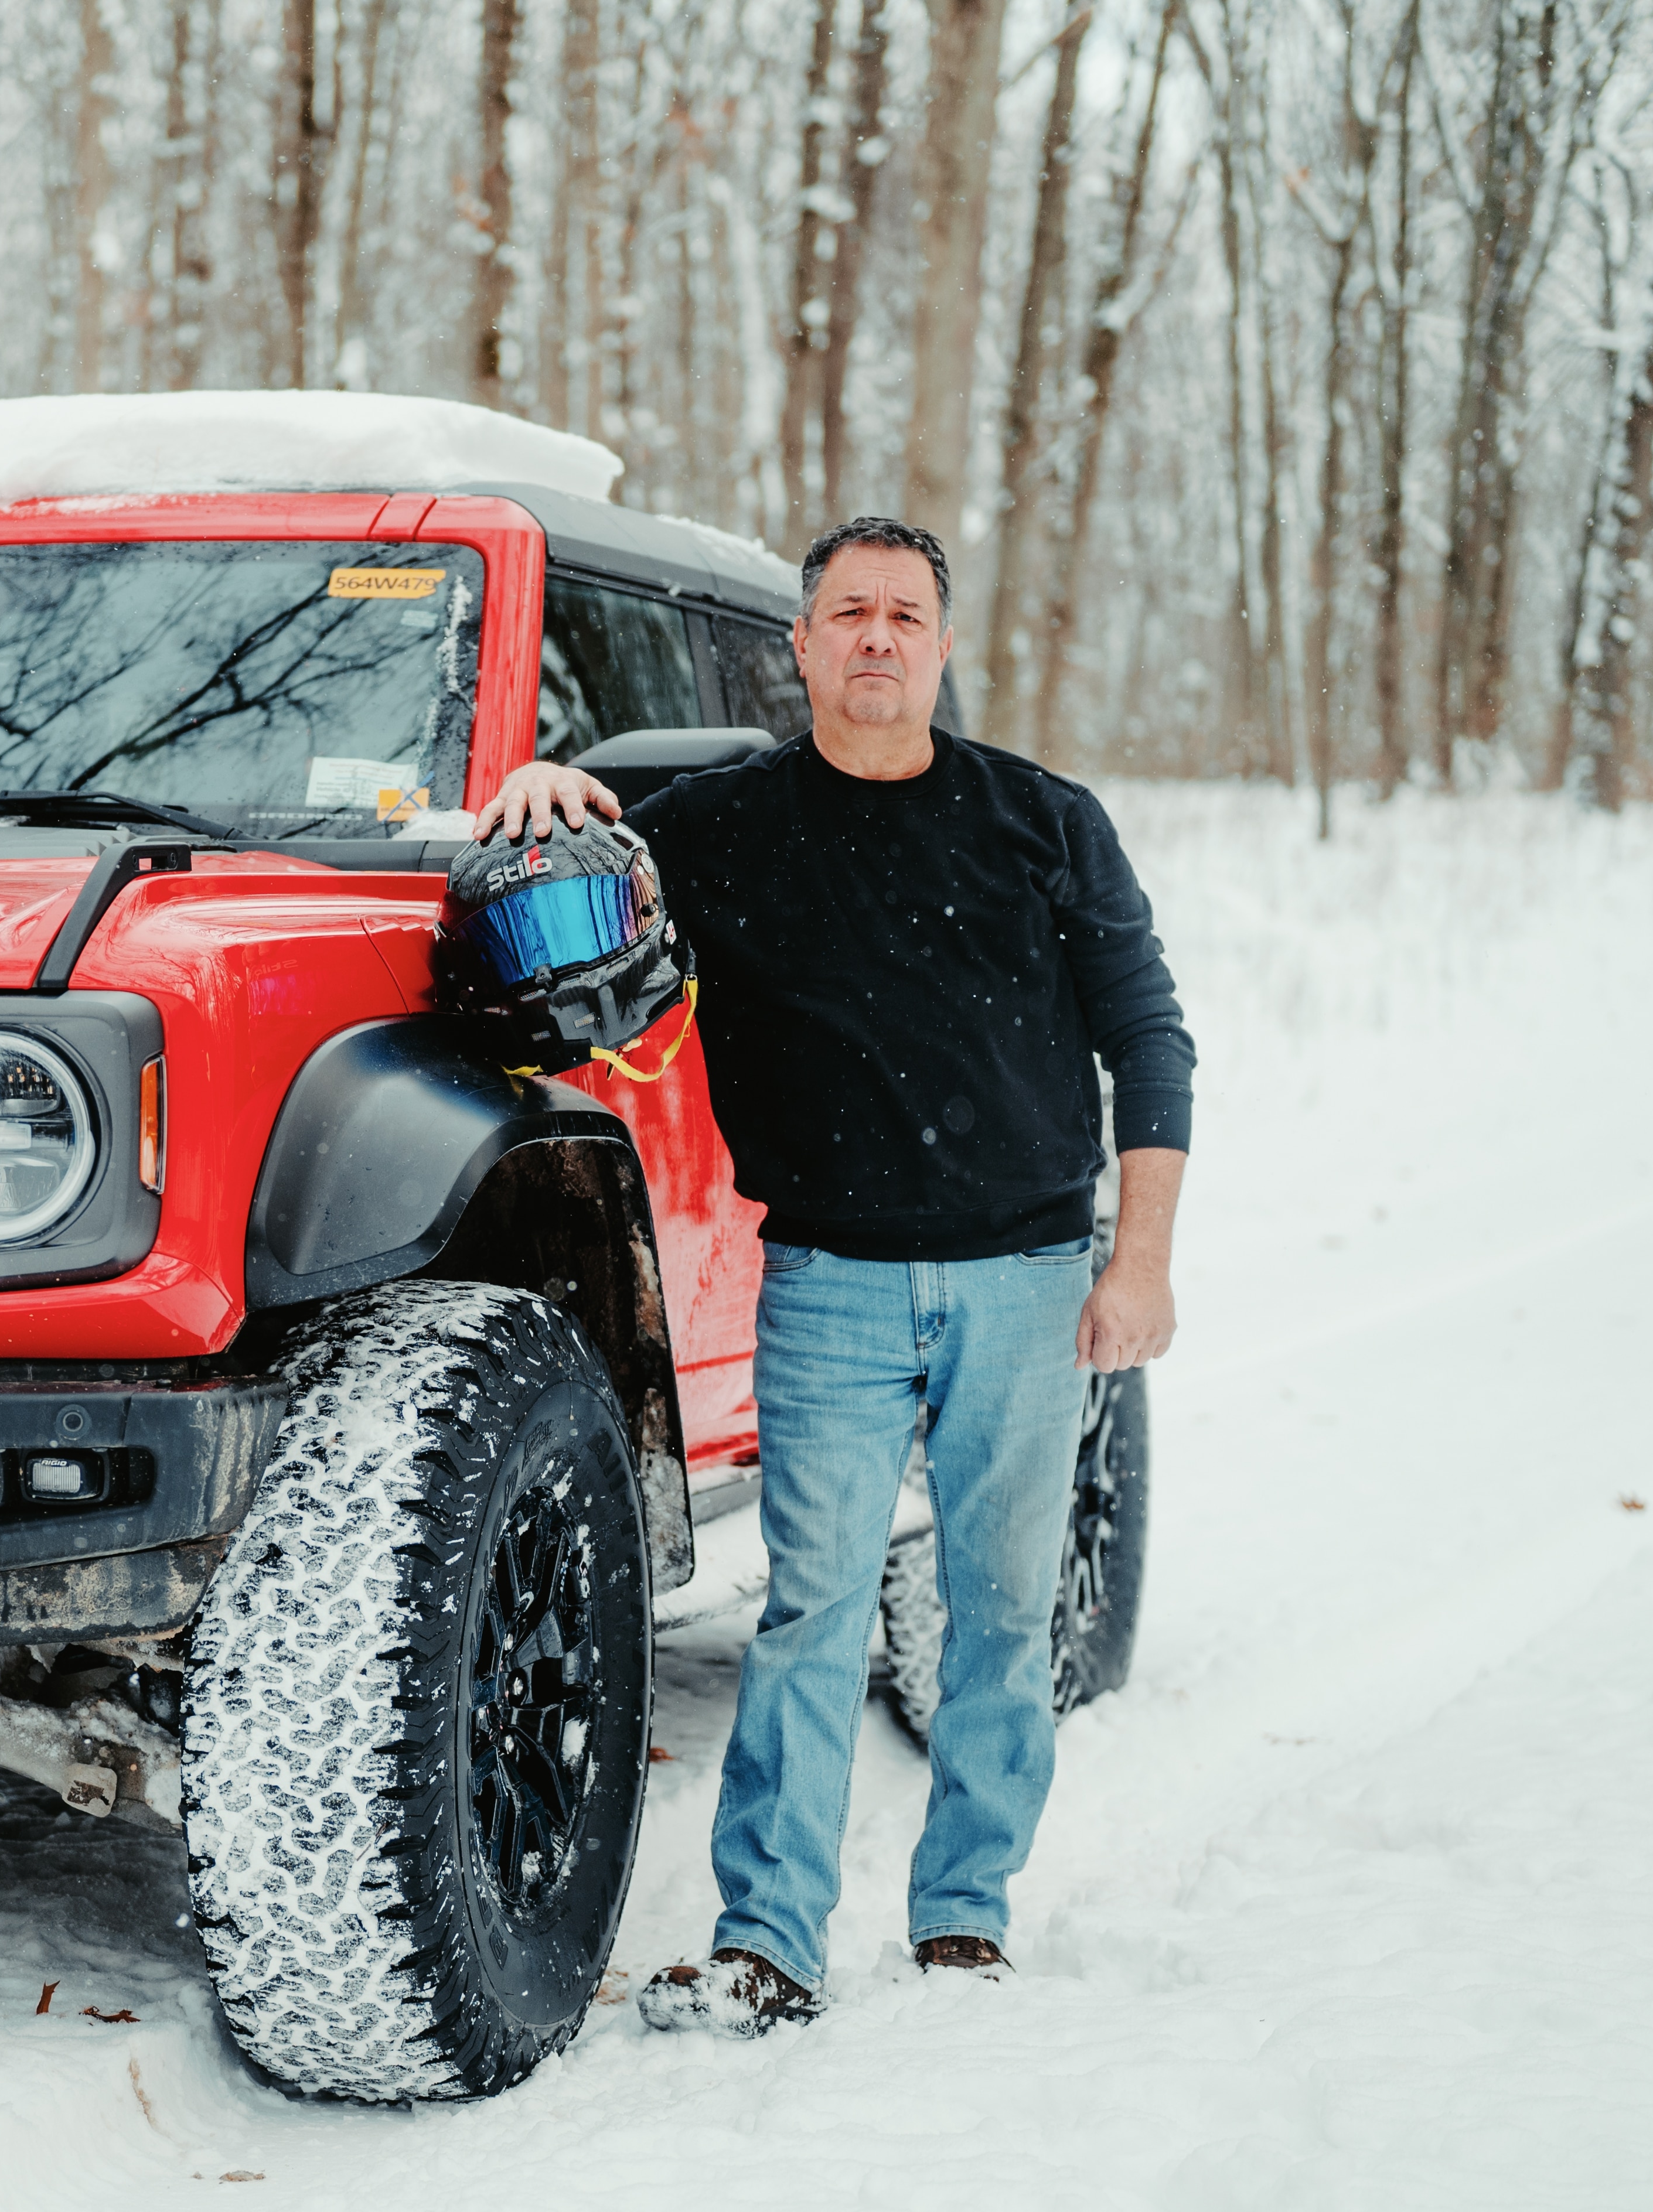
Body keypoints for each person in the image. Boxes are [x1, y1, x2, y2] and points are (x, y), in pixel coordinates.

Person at [472, 516, 1194, 2033]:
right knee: (809, 1612)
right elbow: (586, 871)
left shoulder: (1042, 821)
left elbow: (1149, 1040)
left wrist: (1138, 1264)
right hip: (830, 1286)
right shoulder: (720, 823)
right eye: (847, 613)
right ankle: (768, 1945)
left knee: (998, 1621)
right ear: (799, 647)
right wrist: (538, 787)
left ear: (941, 645)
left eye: (904, 614)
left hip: (1025, 1282)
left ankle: (962, 1918)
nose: (876, 636)